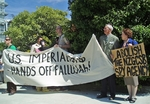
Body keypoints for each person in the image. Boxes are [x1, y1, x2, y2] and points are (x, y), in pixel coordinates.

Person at [97, 24, 119, 100]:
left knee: (111, 79)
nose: (103, 29)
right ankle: (103, 93)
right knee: (103, 78)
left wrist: (115, 58)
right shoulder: (101, 38)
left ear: (109, 29)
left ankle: (112, 95)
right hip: (103, 62)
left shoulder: (115, 38)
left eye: (105, 28)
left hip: (110, 62)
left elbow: (117, 51)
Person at [121, 28, 138, 103]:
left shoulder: (133, 42)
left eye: (122, 34)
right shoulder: (123, 43)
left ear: (126, 35)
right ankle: (130, 96)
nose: (121, 35)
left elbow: (139, 52)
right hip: (125, 64)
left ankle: (134, 96)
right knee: (128, 81)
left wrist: (133, 48)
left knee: (134, 81)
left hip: (133, 64)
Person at [54, 25, 70, 90]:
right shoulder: (59, 37)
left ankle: (66, 86)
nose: (56, 30)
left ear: (61, 29)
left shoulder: (64, 36)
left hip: (64, 56)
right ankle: (62, 85)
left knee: (64, 71)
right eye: (56, 29)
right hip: (60, 57)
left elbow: (69, 45)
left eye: (57, 29)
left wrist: (60, 46)